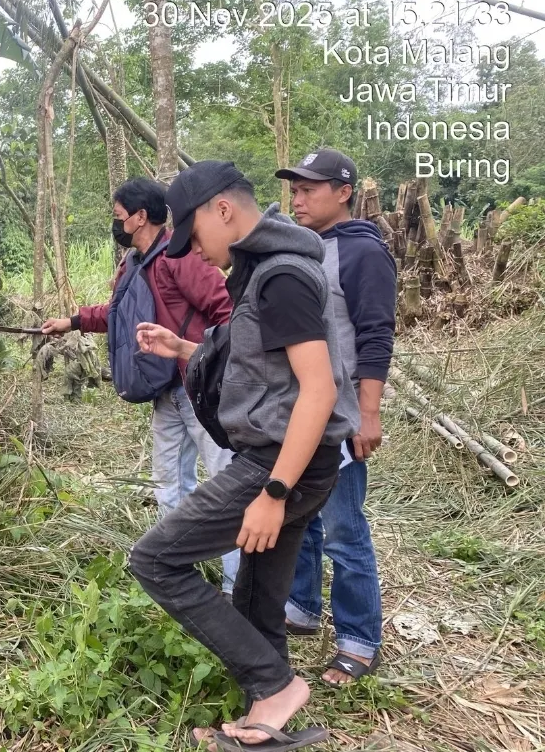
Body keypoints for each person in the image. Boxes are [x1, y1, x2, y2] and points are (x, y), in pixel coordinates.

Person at [128, 161, 359, 751]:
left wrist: (273, 493)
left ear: (222, 210)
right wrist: (183, 346)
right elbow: (263, 361)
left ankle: (276, 685)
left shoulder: (281, 275)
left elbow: (318, 389)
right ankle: (268, 713)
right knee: (257, 594)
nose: (196, 253)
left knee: (155, 560)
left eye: (194, 236)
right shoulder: (262, 270)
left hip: (282, 464)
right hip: (294, 461)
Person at [41, 178, 234, 523]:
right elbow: (117, 314)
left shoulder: (181, 256)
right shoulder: (133, 263)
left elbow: (227, 309)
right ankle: (173, 568)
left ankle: (238, 578)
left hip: (200, 389)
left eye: (119, 215)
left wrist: (213, 361)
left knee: (227, 486)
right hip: (165, 390)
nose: (116, 223)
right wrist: (71, 322)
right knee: (169, 487)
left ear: (140, 216)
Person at [272, 148, 396, 685]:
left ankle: (359, 638)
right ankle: (300, 606)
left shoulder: (362, 253)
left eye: (309, 189)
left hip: (341, 416)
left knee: (345, 528)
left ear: (343, 192)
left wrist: (369, 413)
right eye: (294, 190)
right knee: (298, 518)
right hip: (298, 412)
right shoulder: (304, 249)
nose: (297, 199)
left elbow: (375, 334)